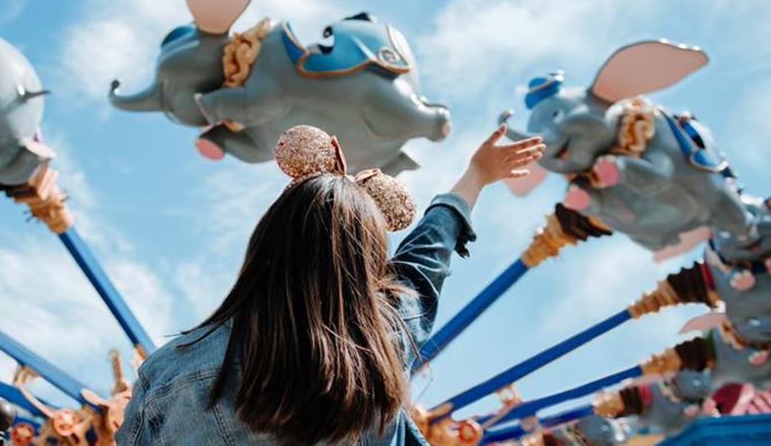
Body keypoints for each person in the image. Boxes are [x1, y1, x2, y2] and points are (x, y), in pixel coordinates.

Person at [116, 124, 544, 446]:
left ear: (267, 241)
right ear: (368, 264)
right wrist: (474, 177)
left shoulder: (170, 370)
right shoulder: (381, 340)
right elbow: (425, 258)